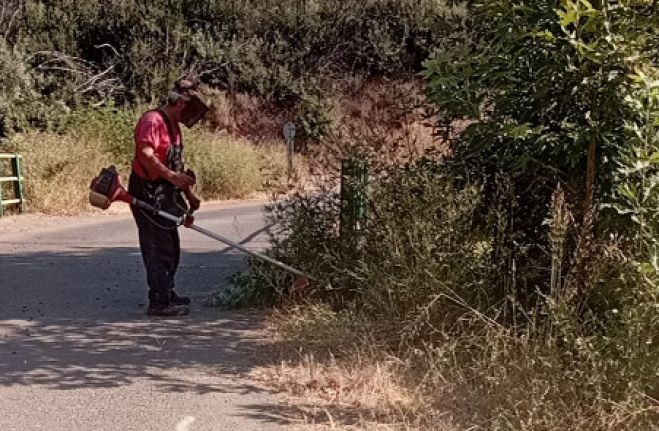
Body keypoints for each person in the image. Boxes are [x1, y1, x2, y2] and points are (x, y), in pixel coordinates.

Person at [129, 79, 208, 317]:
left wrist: (189, 195)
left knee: (171, 246)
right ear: (182, 103)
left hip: (166, 193)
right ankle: (158, 302)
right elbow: (145, 155)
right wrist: (172, 177)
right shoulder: (152, 121)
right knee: (157, 247)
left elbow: (177, 166)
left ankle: (167, 290)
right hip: (146, 191)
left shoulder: (175, 128)